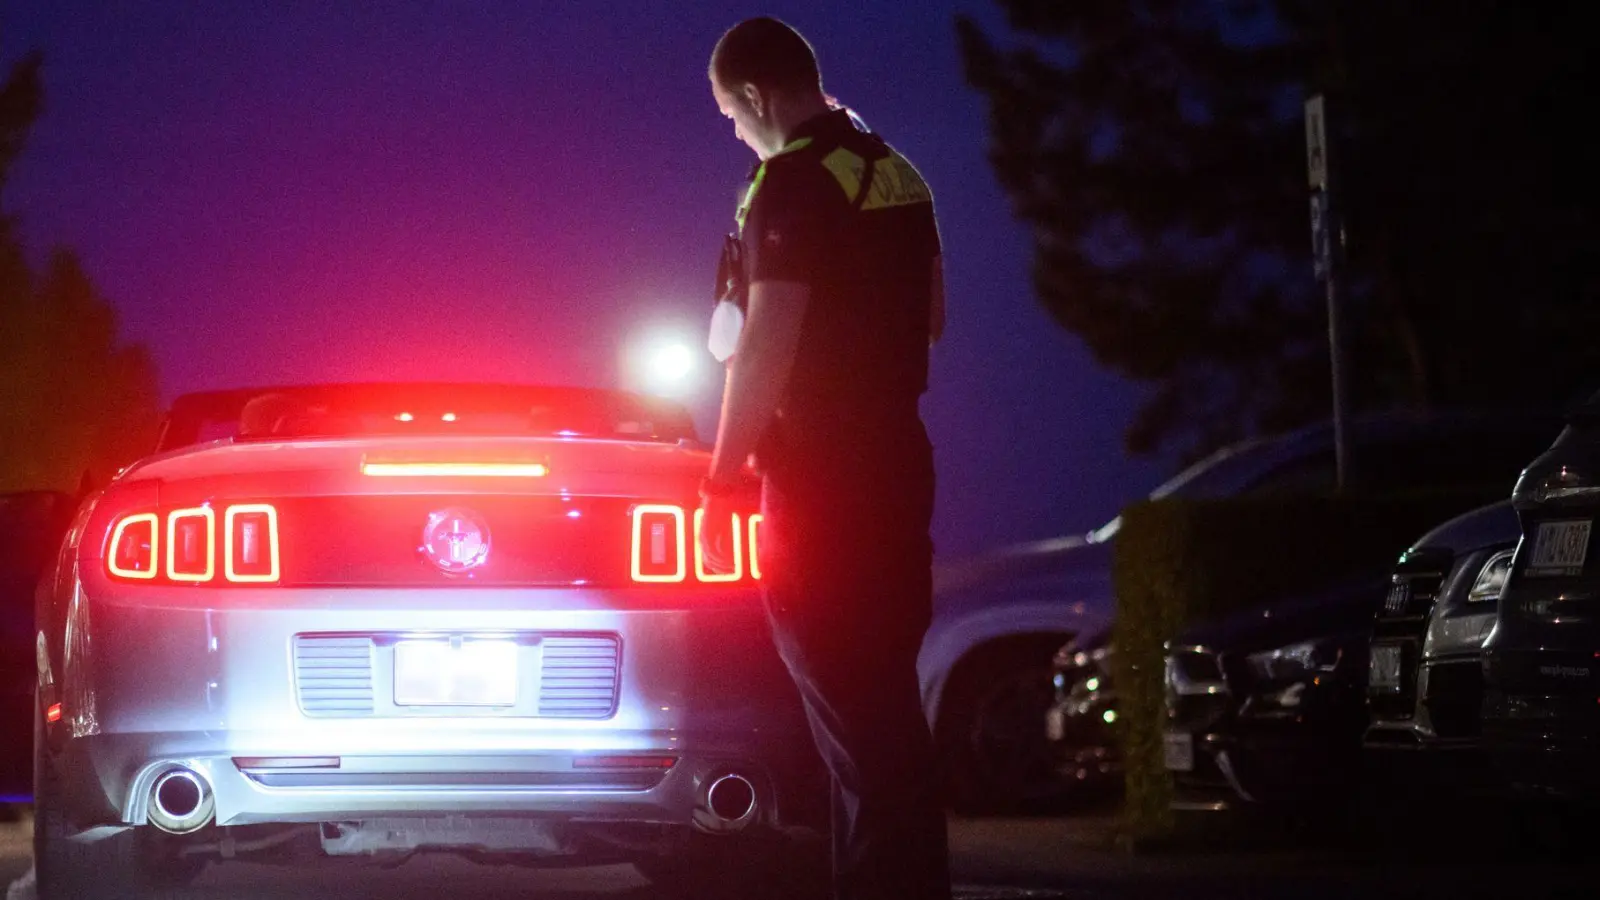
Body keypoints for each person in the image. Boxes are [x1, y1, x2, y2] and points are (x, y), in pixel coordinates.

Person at [697, 17, 949, 900]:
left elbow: (764, 347)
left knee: (848, 723)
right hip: (899, 465)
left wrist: (723, 477)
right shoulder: (895, 173)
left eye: (730, 113)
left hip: (818, 481)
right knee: (888, 713)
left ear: (759, 98)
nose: (733, 128)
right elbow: (933, 319)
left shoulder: (790, 184)